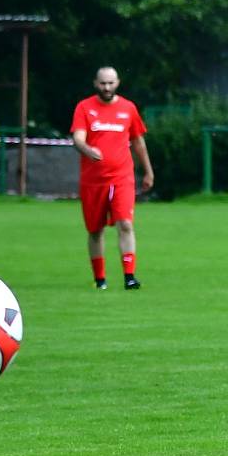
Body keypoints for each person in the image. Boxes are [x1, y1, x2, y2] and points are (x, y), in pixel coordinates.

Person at [70, 66, 154, 290]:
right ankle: (100, 280)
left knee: (125, 224)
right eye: (102, 83)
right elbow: (78, 138)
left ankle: (129, 276)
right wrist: (88, 150)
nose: (106, 87)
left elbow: (138, 142)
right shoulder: (84, 108)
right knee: (95, 230)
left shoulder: (128, 108)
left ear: (117, 82)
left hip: (122, 177)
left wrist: (148, 171)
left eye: (110, 83)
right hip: (93, 180)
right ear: (95, 84)